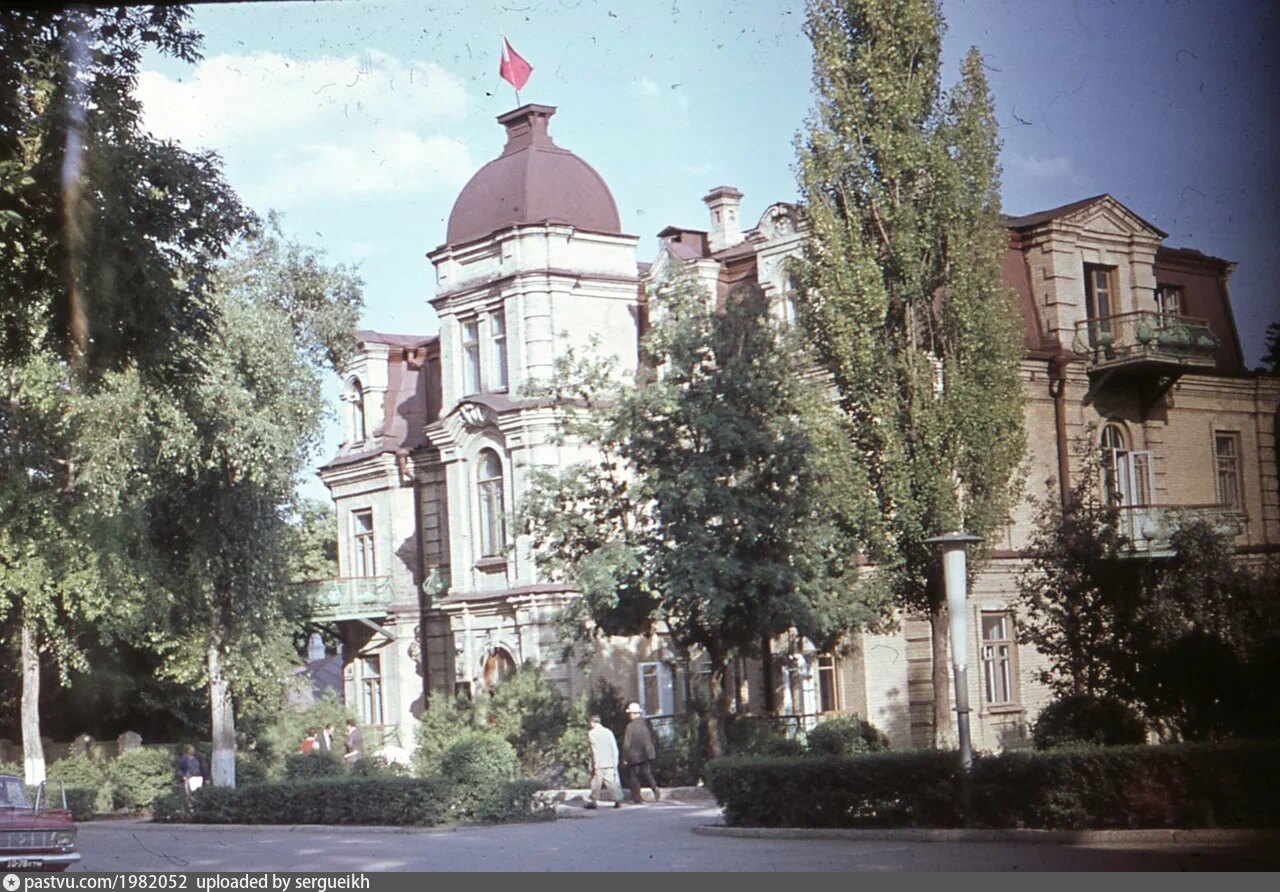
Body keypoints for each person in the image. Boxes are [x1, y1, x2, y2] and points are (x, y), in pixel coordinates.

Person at [621, 702, 661, 804]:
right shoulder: (647, 724)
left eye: (630, 714)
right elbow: (653, 737)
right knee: (647, 773)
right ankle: (655, 788)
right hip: (647, 753)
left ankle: (637, 798)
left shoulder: (630, 726)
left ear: (633, 714)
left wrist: (624, 758)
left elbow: (627, 743)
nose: (629, 716)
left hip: (634, 755)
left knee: (634, 777)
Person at [584, 714, 623, 810]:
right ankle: (617, 800)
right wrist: (615, 761)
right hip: (609, 762)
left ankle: (594, 801)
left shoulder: (592, 733)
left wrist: (594, 764)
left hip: (599, 763)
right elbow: (614, 747)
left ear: (592, 722)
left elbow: (594, 750)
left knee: (596, 783)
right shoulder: (608, 732)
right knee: (611, 783)